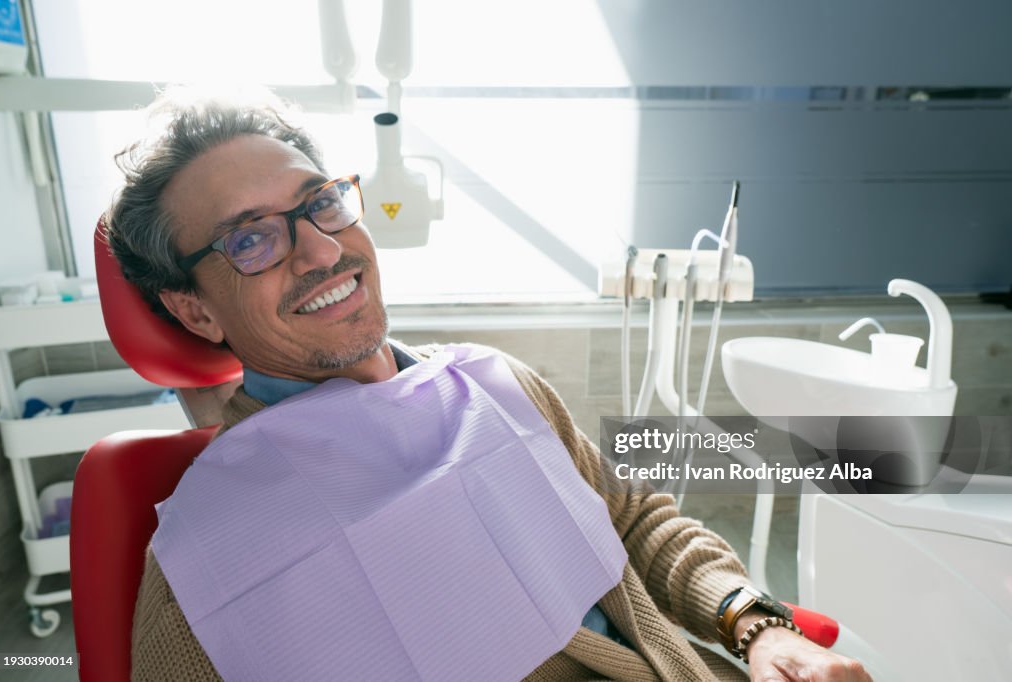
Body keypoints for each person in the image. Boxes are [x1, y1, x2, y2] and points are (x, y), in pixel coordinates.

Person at [106, 87, 870, 682]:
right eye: (250, 239)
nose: (321, 251)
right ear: (195, 309)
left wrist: (757, 626)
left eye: (321, 204)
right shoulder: (207, 561)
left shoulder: (495, 385)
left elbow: (636, 522)